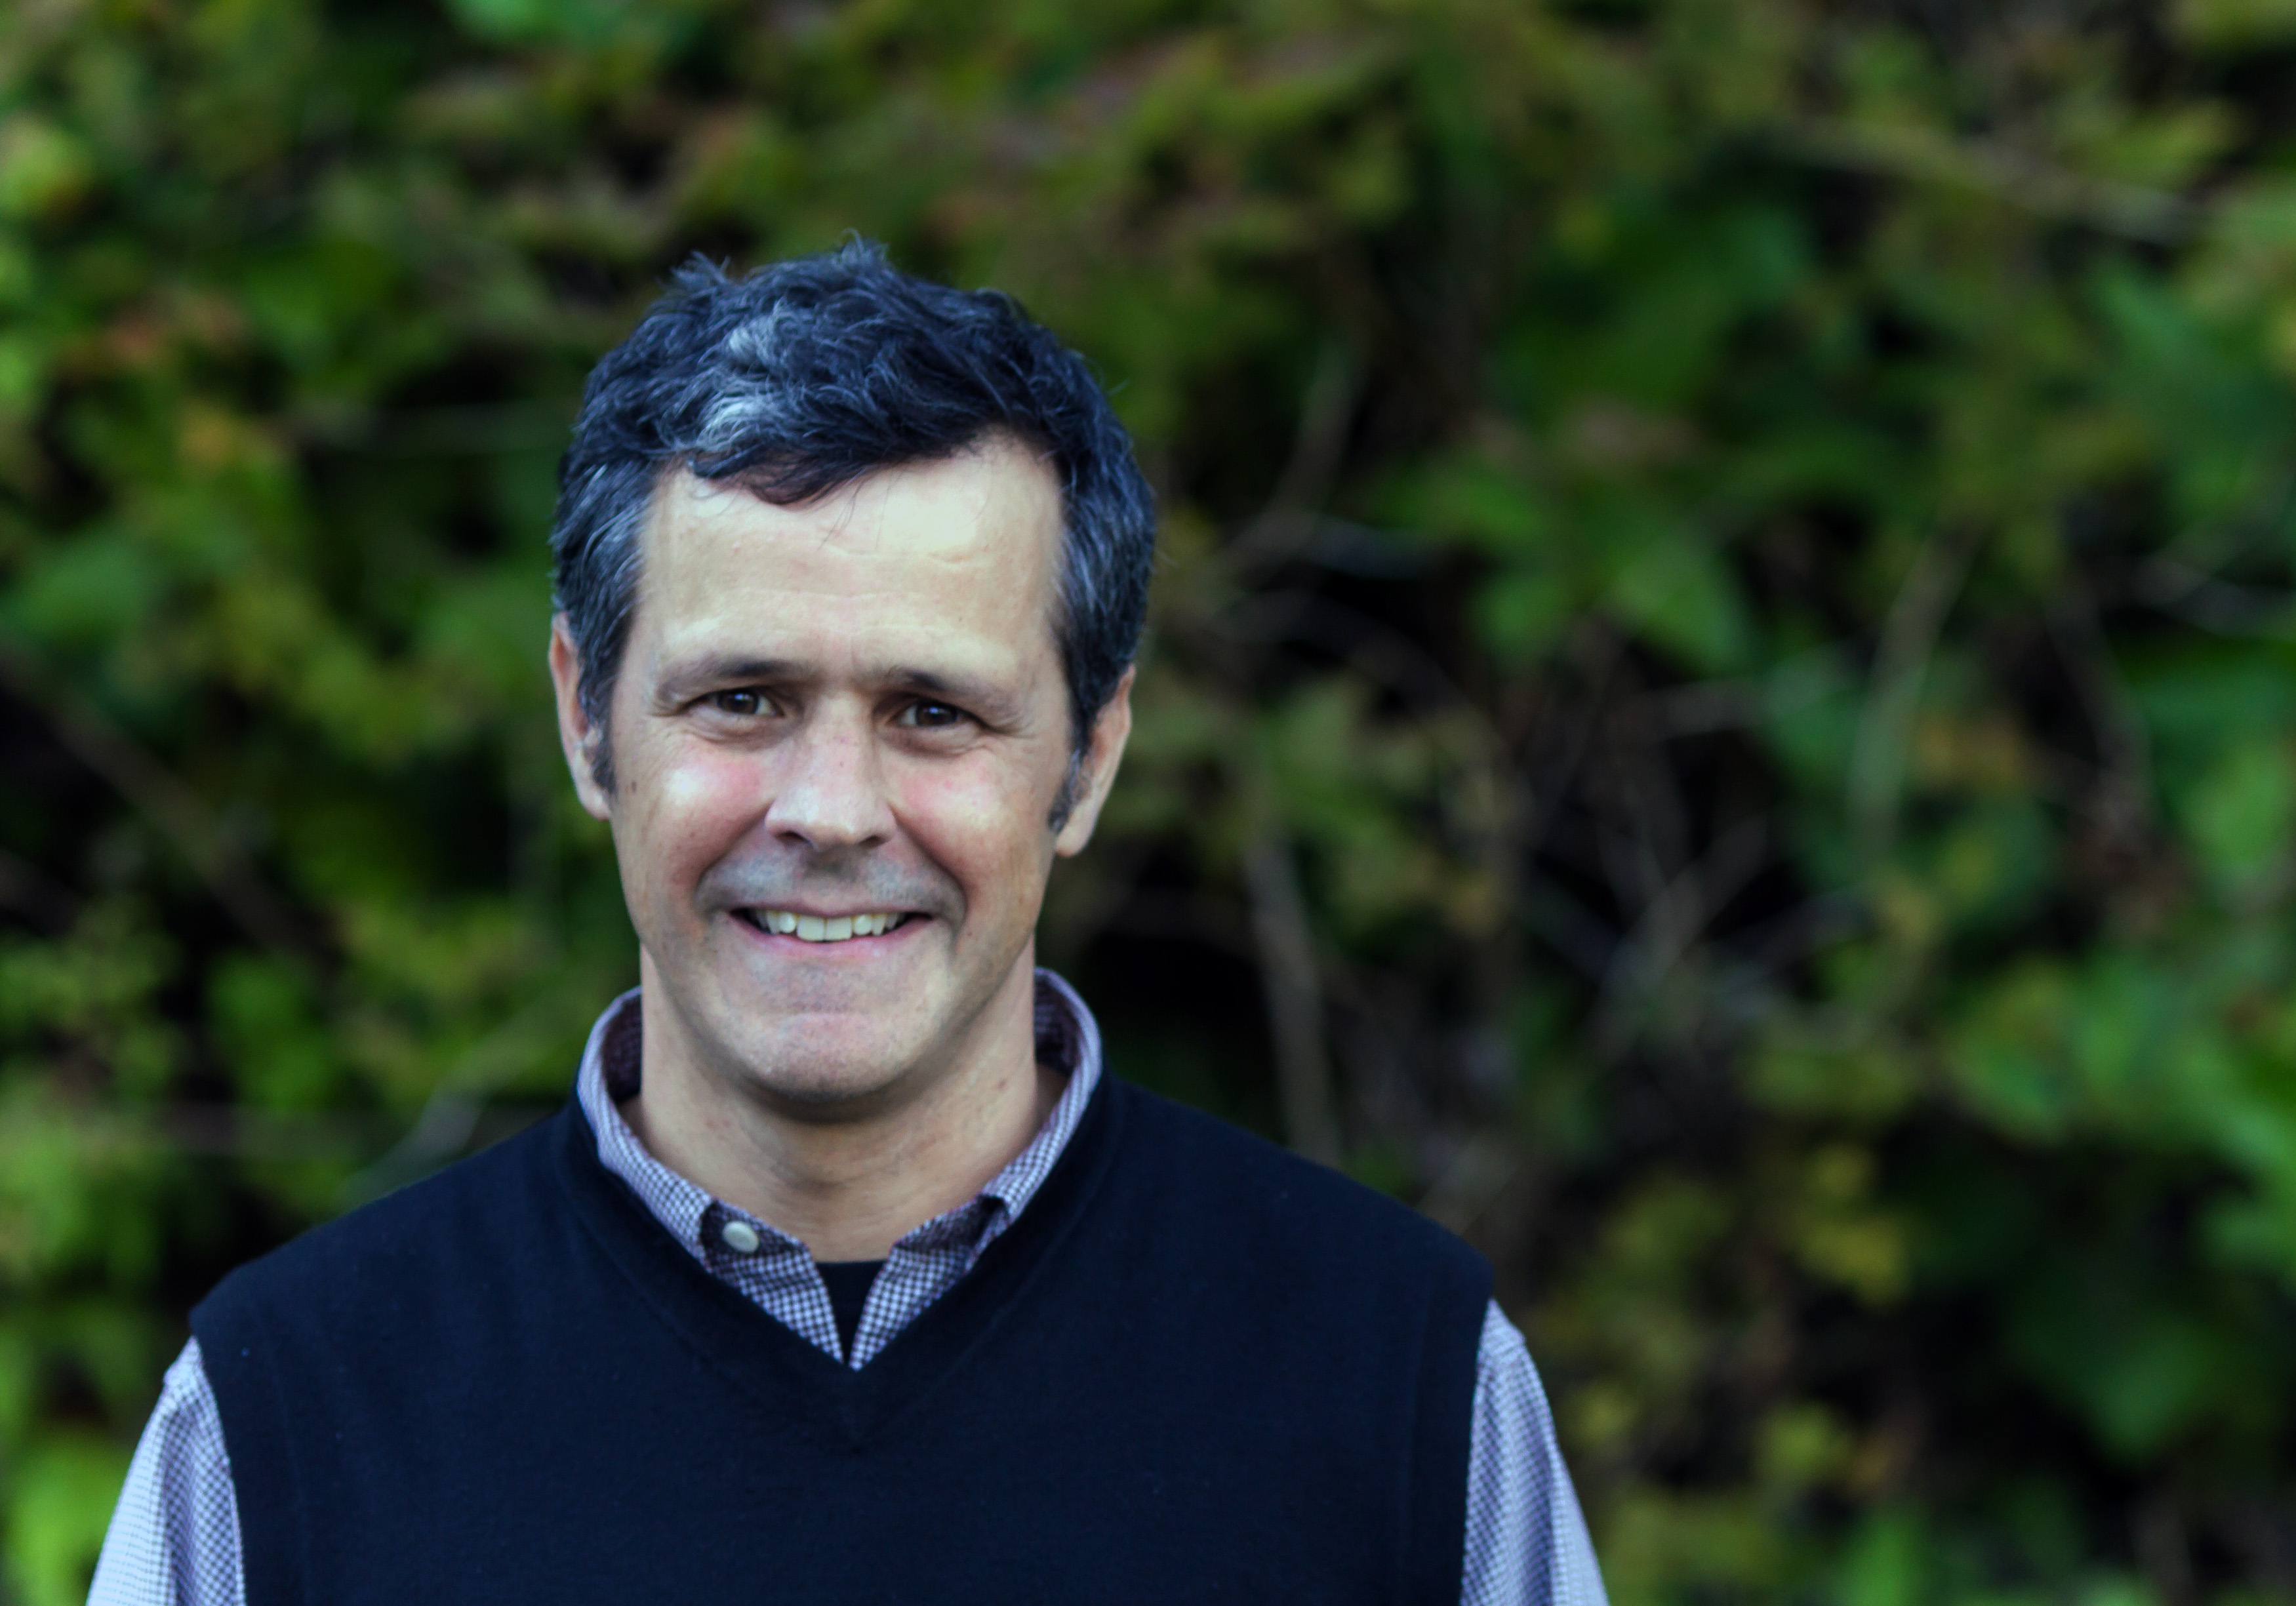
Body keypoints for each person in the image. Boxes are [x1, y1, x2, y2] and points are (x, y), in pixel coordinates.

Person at [90, 243, 1608, 1605]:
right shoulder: (282, 1418)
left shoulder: (1404, 1385)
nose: (828, 808)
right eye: (740, 698)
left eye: (934, 711)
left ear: (1087, 759)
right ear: (583, 717)